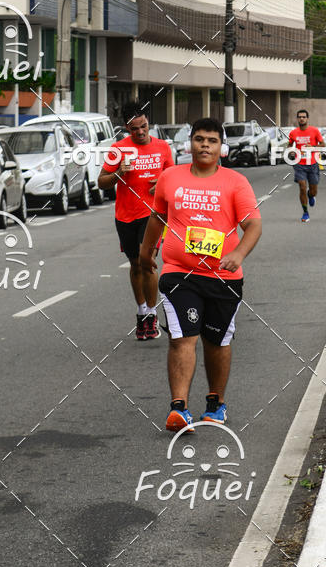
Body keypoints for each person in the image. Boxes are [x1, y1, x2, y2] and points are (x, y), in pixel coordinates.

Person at [140, 117, 262, 433]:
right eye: (199, 139)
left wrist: (238, 254)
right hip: (179, 273)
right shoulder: (170, 177)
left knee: (216, 341)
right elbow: (158, 216)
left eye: (211, 140)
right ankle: (178, 408)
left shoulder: (236, 182)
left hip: (223, 278)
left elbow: (253, 225)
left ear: (221, 147)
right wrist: (145, 251)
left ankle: (215, 404)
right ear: (190, 143)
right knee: (183, 337)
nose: (205, 144)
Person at [98, 102, 173, 341]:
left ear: (148, 123)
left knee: (146, 259)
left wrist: (161, 180)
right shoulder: (118, 149)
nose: (140, 132)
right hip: (125, 215)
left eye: (144, 127)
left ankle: (151, 314)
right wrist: (119, 172)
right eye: (134, 129)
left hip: (153, 214)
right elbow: (101, 182)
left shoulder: (162, 147)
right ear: (126, 129)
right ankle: (142, 312)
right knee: (135, 264)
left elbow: (173, 176)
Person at [288, 109, 325, 223]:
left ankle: (311, 195)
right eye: (299, 117)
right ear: (297, 119)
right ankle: (305, 212)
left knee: (313, 191)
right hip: (299, 164)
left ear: (307, 119)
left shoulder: (314, 131)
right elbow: (289, 146)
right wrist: (291, 152)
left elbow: (323, 145)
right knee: (302, 186)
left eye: (304, 117)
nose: (301, 119)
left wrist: (313, 146)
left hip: (313, 164)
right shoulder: (293, 133)